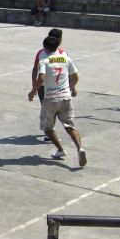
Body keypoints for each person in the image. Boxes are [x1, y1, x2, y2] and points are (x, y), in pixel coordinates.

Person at [28, 35, 87, 167]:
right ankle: (80, 148)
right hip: (65, 97)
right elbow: (75, 77)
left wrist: (33, 91)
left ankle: (60, 149)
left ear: (45, 48)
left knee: (48, 128)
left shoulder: (45, 60)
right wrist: (70, 88)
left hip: (50, 97)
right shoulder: (66, 58)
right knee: (70, 126)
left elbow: (41, 78)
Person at [32, 28, 66, 142]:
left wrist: (34, 86)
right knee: (53, 109)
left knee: (46, 108)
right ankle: (50, 132)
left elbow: (35, 70)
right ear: (60, 40)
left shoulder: (40, 53)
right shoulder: (63, 53)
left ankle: (49, 131)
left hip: (43, 86)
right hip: (57, 85)